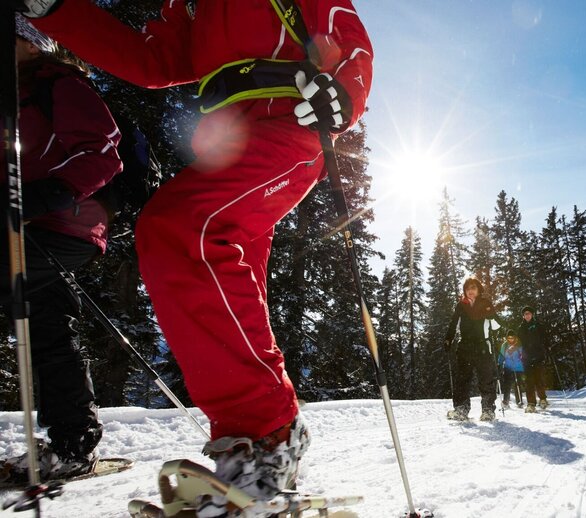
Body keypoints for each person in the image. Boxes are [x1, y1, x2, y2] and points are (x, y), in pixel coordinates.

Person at [24, 0, 372, 513]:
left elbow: (345, 31)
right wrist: (53, 10)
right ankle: (250, 452)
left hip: (289, 121)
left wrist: (346, 89)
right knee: (233, 281)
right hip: (228, 139)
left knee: (180, 230)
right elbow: (153, 61)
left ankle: (268, 438)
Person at [0, 15, 122, 484]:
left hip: (65, 223)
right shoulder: (15, 92)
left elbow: (102, 152)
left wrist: (46, 195)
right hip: (25, 223)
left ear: (31, 44)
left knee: (46, 318)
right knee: (48, 321)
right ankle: (72, 445)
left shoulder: (59, 83)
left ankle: (72, 443)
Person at [445, 278, 501, 422]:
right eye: (468, 288)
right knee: (462, 380)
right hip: (465, 347)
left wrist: (490, 315)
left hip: (482, 347)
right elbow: (453, 323)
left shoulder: (485, 303)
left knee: (486, 379)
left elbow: (496, 325)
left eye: (473, 288)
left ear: (478, 290)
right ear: (465, 291)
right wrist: (448, 338)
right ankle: (461, 409)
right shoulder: (461, 305)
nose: (470, 291)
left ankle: (488, 410)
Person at [518, 305, 549, 412]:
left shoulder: (538, 326)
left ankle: (543, 399)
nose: (527, 316)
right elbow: (519, 343)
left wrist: (547, 348)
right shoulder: (521, 328)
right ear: (523, 316)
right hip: (526, 357)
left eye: (528, 313)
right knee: (529, 381)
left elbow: (545, 338)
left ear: (532, 314)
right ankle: (531, 403)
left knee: (539, 379)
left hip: (538, 355)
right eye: (525, 314)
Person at [497, 330, 525, 410]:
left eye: (512, 338)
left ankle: (519, 400)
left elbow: (522, 354)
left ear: (514, 337)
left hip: (518, 367)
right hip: (508, 367)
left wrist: (522, 357)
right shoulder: (504, 345)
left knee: (518, 384)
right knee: (507, 384)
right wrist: (499, 363)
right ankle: (506, 401)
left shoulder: (519, 344)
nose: (510, 339)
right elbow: (502, 355)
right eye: (509, 338)